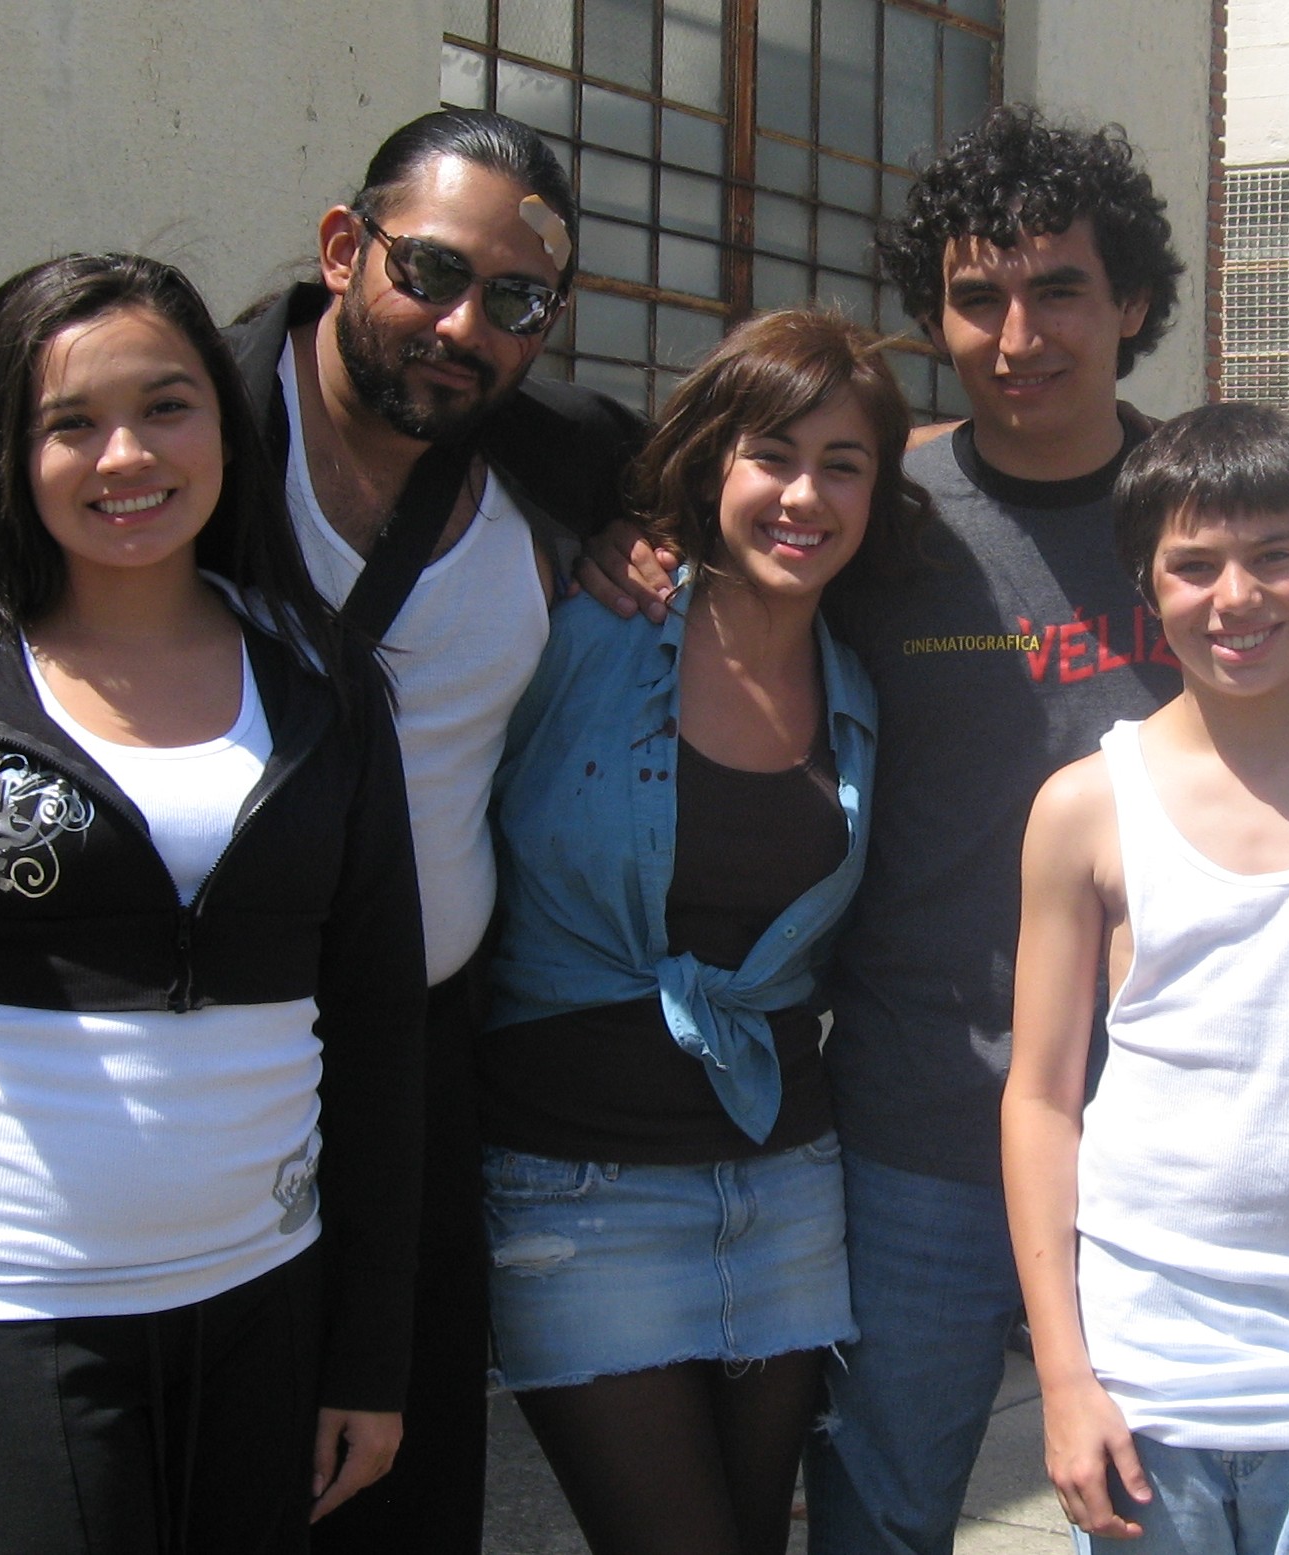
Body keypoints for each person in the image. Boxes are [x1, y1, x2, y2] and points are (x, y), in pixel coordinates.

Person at [0, 109, 642, 1553]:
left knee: (385, 1474)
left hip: (404, 1048)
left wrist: (646, 529)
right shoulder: (185, 413)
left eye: (516, 299)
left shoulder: (558, 451)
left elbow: (793, 460)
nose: (460, 322)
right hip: (133, 1077)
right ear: (342, 247)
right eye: (427, 270)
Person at [581, 105, 1289, 1555]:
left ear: (1133, 300)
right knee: (882, 1508)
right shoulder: (881, 518)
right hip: (924, 1130)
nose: (1018, 334)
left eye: (1060, 288)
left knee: (1163, 1522)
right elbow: (722, 579)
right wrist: (622, 538)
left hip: (1184, 1167)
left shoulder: (1215, 523)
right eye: (977, 296)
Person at [0, 253, 425, 1555]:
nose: (124, 453)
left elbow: (375, 1029)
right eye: (69, 423)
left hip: (264, 1298)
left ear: (224, 427)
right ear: (9, 452)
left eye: (167, 405)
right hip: (0, 1309)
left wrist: (370, 1349)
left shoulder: (326, 684)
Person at [477, 308, 922, 1555]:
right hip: (576, 1189)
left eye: (843, 464)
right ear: (710, 461)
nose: (805, 494)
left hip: (786, 1185)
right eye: (772, 453)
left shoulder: (860, 686)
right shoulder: (584, 628)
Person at [1002, 403, 1289, 1555]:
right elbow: (1040, 1098)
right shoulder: (1084, 806)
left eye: (1275, 556)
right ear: (1145, 584)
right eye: (1194, 565)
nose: (1237, 597)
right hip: (1139, 1399)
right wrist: (1064, 1380)